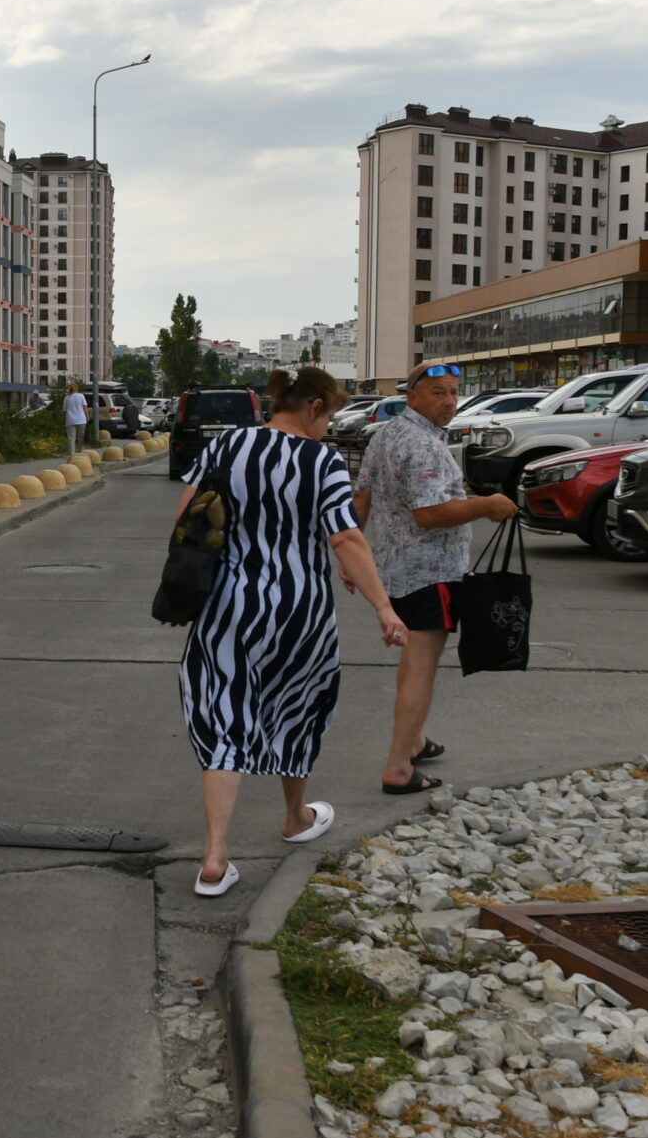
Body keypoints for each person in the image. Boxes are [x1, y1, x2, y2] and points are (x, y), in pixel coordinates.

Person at [176, 365, 410, 898]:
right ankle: (295, 817)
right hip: (298, 609)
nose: (328, 427)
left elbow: (186, 517)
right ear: (313, 408)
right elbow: (346, 538)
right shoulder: (321, 459)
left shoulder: (228, 445)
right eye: (328, 416)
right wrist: (384, 608)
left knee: (223, 715)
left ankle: (214, 857)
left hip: (226, 604)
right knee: (296, 706)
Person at [354, 364, 517, 795]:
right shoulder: (424, 446)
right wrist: (486, 505)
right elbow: (429, 515)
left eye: (453, 393)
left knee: (412, 665)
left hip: (394, 569)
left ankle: (415, 741)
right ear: (413, 397)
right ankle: (398, 768)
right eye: (438, 393)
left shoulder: (385, 434)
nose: (449, 401)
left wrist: (349, 555)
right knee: (421, 669)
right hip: (432, 572)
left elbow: (363, 494)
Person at [63, 383, 89, 455]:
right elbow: (85, 408)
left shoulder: (67, 398)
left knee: (71, 438)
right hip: (81, 419)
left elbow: (65, 410)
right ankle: (80, 452)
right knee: (80, 437)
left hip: (70, 420)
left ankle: (72, 453)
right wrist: (87, 417)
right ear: (77, 388)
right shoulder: (81, 396)